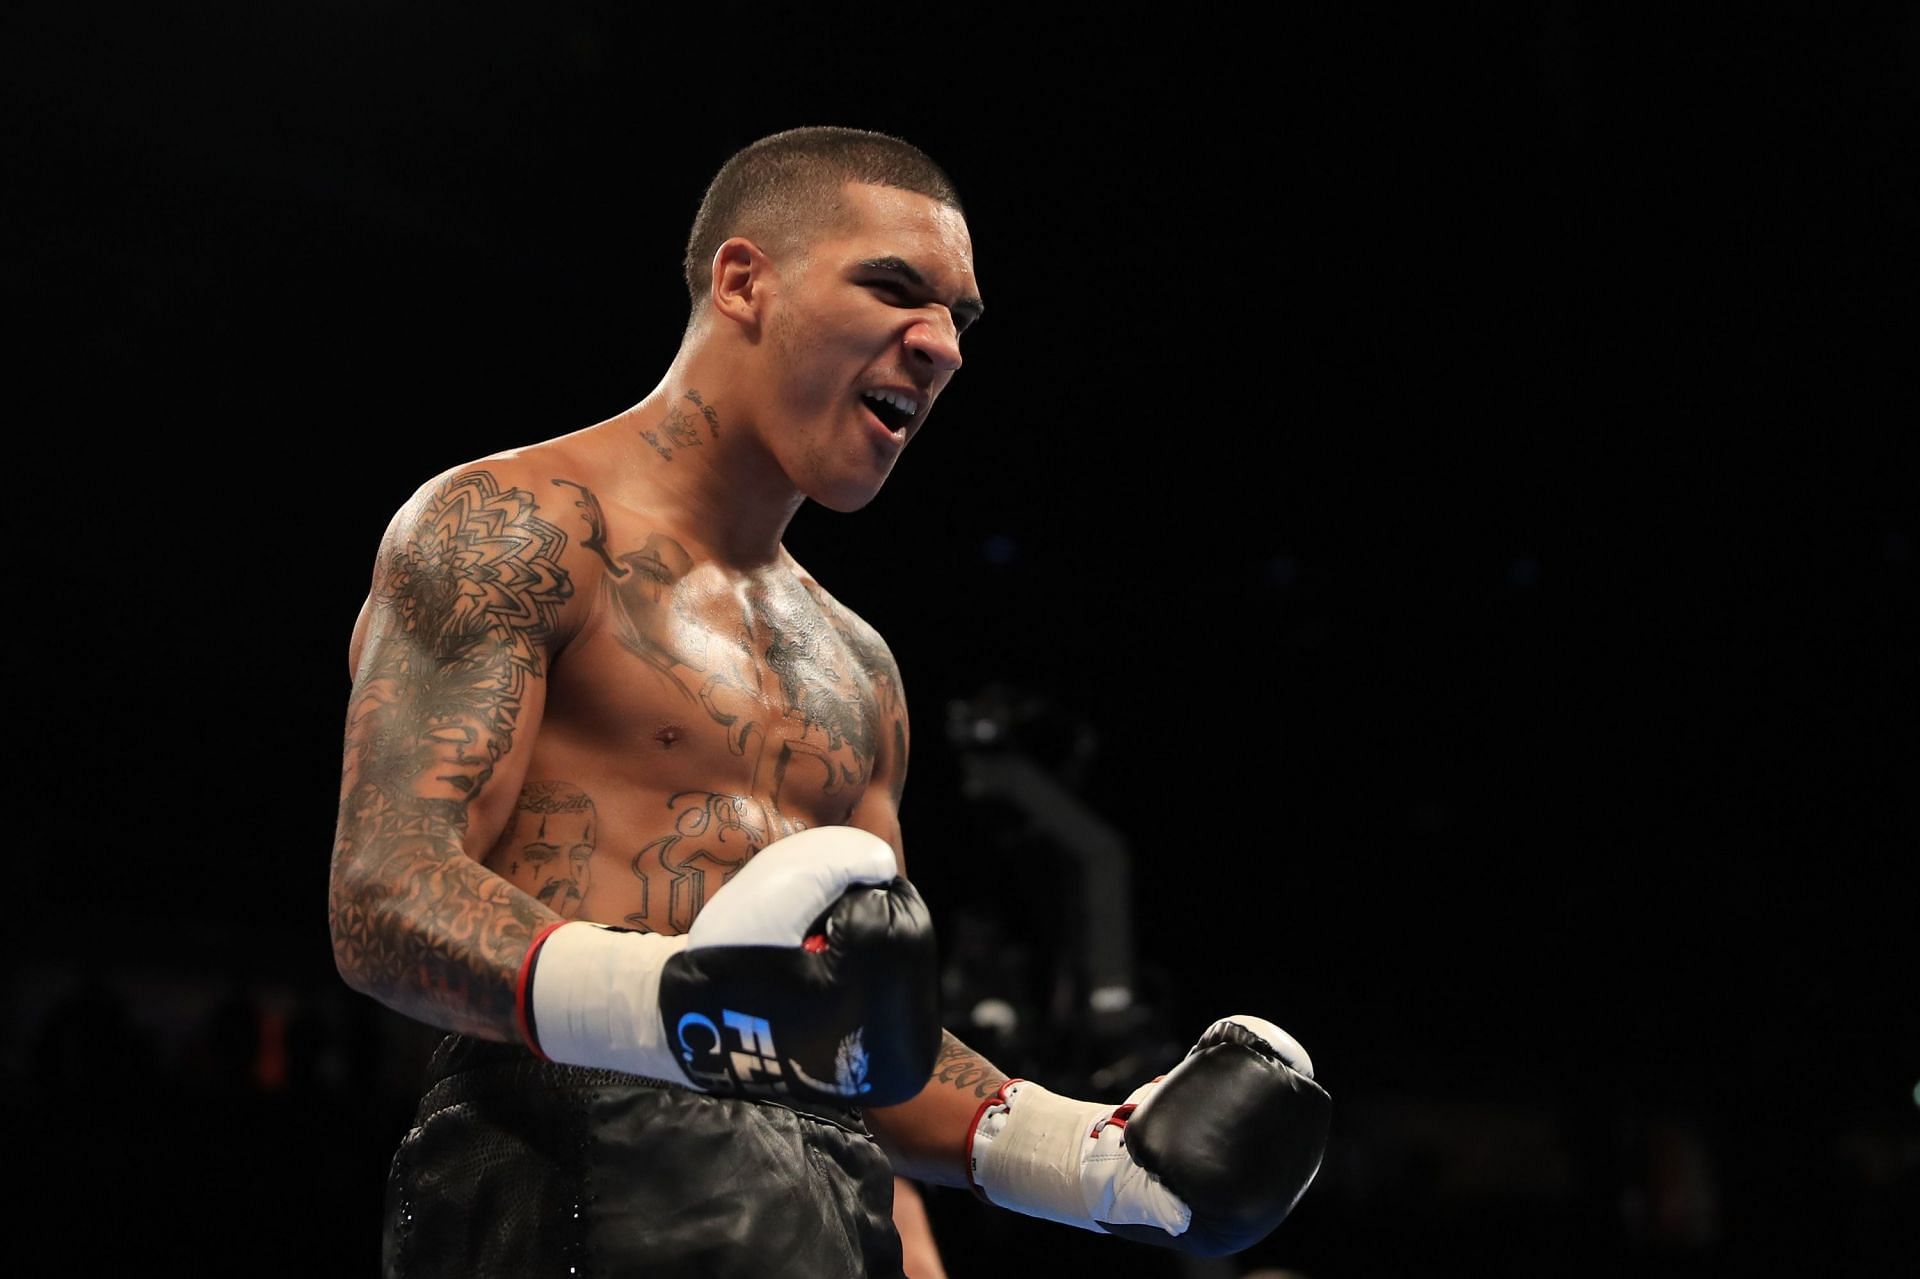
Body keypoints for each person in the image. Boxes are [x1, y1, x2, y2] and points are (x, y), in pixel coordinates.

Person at [329, 125, 1330, 1278]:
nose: (941, 346)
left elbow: (865, 1048)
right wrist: (678, 1007)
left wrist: (1086, 1155)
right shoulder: (517, 527)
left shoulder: (857, 669)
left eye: (960, 319)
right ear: (743, 280)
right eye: (895, 289)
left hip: (824, 1199)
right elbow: (384, 895)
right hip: (565, 1162)